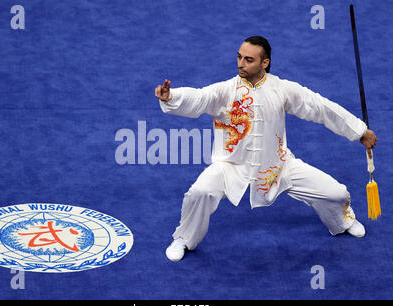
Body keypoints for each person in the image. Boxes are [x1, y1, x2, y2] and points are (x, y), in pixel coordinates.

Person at [155, 36, 378, 262]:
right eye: (239, 57)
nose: (241, 63)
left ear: (265, 63)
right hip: (230, 165)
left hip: (278, 165)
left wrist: (359, 131)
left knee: (336, 193)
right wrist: (172, 97)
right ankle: (184, 237)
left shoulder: (282, 89)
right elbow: (199, 98)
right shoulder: (224, 91)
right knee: (199, 192)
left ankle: (342, 221)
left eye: (249, 59)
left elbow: (319, 107)